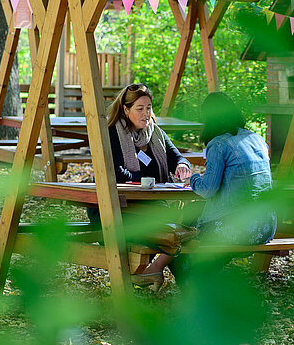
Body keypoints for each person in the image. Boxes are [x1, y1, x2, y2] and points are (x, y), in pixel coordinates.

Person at [134, 92, 277, 289]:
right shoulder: (257, 139)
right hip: (267, 225)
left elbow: (208, 189)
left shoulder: (218, 144)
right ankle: (157, 270)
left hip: (240, 226)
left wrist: (190, 178)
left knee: (183, 235)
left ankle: (179, 283)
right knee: (189, 225)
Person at [86, 83, 192, 232]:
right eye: (140, 109)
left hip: (147, 204)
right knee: (170, 225)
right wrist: (145, 180)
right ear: (126, 109)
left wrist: (182, 165)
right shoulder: (112, 133)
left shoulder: (156, 133)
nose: (146, 113)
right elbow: (115, 173)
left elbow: (177, 157)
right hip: (113, 208)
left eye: (148, 108)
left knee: (184, 221)